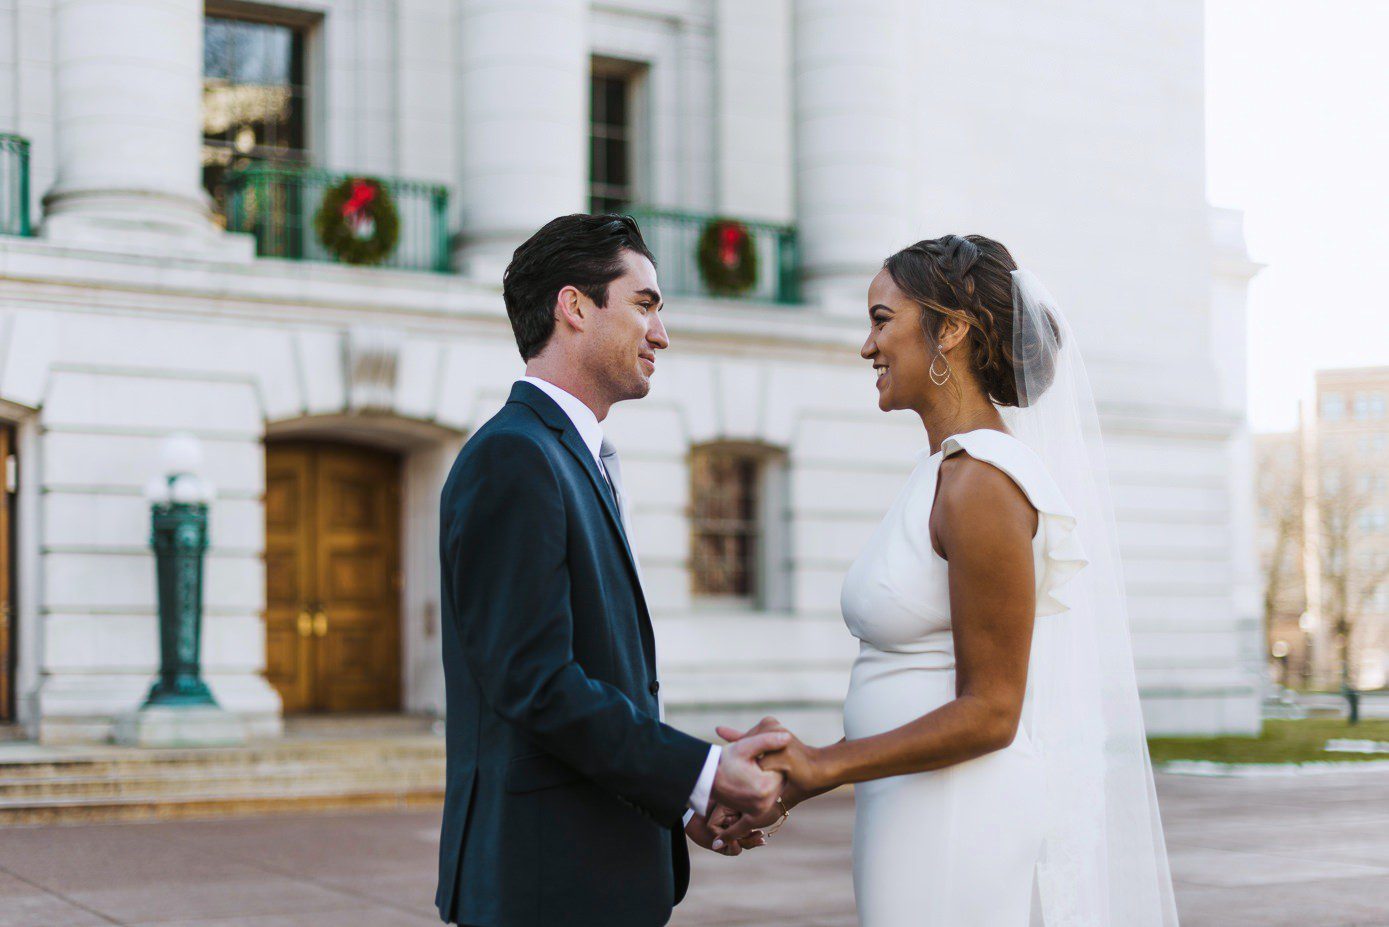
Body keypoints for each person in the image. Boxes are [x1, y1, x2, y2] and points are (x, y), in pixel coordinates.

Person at [714, 235, 1179, 926]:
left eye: (880, 319)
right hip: (908, 802)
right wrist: (798, 771)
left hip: (960, 809)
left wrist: (826, 763)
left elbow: (992, 709)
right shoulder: (943, 471)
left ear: (950, 330)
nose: (866, 346)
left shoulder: (983, 482)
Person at [434, 214, 787, 927]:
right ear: (573, 306)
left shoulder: (567, 455)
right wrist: (705, 772)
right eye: (645, 304)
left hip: (588, 877)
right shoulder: (515, 457)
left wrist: (680, 800)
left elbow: (599, 684)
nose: (661, 334)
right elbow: (538, 685)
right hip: (540, 890)